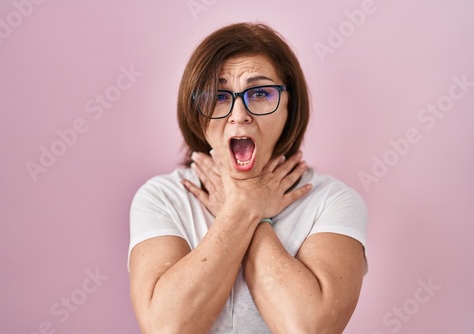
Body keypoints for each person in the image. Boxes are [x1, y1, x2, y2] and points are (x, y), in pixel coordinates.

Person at [128, 22, 368, 334]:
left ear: (289, 105)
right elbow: (168, 327)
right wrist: (243, 207)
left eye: (261, 93)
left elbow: (307, 328)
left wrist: (247, 210)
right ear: (195, 112)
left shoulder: (333, 201)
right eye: (219, 95)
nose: (239, 115)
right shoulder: (162, 197)